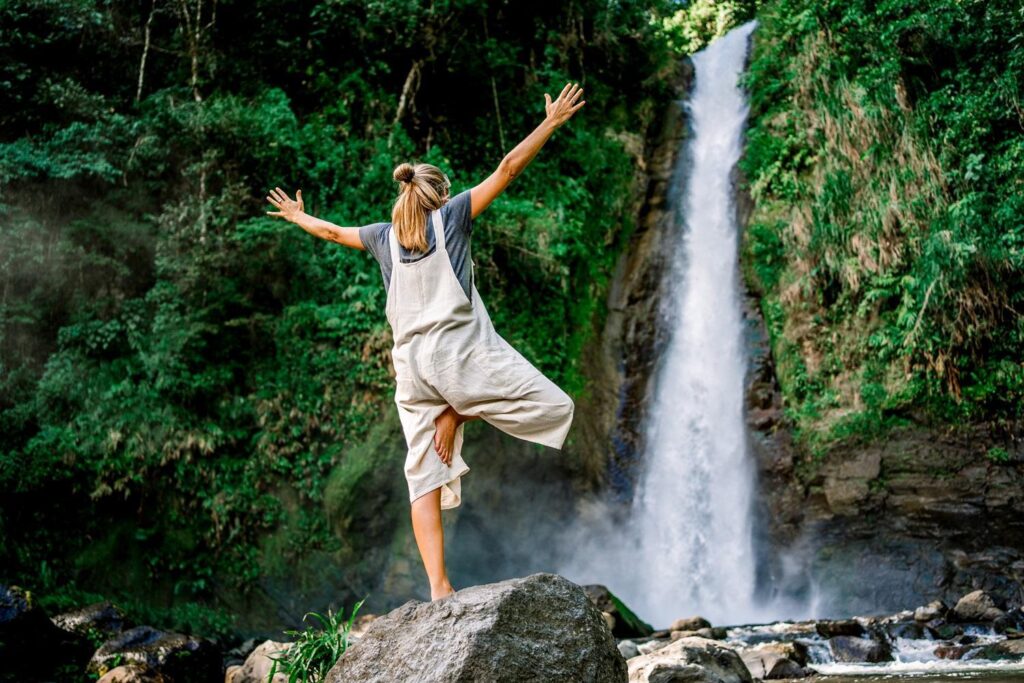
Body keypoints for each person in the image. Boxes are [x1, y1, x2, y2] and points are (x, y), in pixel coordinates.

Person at [265, 81, 586, 601]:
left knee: (423, 478)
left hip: (411, 369)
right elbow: (507, 168)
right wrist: (549, 123)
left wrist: (299, 216)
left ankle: (439, 587)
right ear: (439, 194)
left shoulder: (380, 237)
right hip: (459, 356)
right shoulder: (452, 218)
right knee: (552, 402)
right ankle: (457, 412)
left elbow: (330, 233)